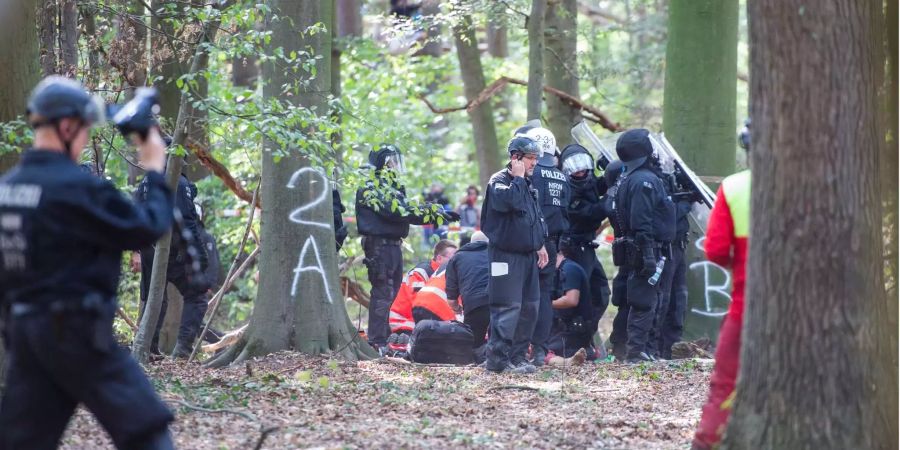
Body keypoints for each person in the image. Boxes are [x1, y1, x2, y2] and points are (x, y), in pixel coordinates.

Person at [0, 76, 175, 448]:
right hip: (77, 334)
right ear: (66, 127)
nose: (83, 142)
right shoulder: (76, 188)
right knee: (147, 429)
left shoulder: (7, 190)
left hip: (26, 337)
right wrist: (155, 170)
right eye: (83, 131)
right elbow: (147, 228)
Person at [356, 143, 459, 351]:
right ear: (383, 162)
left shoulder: (390, 187)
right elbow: (400, 211)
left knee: (392, 293)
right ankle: (377, 340)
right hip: (379, 246)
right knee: (383, 292)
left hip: (392, 245)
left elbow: (405, 210)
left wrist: (436, 213)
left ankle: (386, 338)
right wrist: (435, 213)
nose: (395, 166)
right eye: (392, 161)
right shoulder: (372, 186)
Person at [692, 123, 751, 450]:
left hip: (745, 310)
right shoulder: (815, 184)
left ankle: (705, 444)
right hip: (811, 316)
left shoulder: (734, 187)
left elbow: (714, 250)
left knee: (724, 387)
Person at [481, 136, 548, 374]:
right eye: (530, 158)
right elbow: (509, 202)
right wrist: (518, 178)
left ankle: (518, 357)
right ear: (515, 157)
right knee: (506, 307)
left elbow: (532, 217)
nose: (534, 163)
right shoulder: (499, 181)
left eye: (536, 159)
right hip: (504, 256)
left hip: (528, 256)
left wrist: (539, 243)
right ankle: (498, 361)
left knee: (529, 308)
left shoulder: (527, 183)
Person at [613, 129, 676, 363]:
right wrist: (648, 253)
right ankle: (635, 352)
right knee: (643, 301)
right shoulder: (644, 181)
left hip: (647, 248)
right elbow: (641, 221)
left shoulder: (636, 178)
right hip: (646, 249)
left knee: (651, 299)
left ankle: (644, 349)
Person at [137, 159, 211, 358]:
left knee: (156, 296)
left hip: (148, 247)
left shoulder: (146, 181)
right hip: (172, 249)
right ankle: (182, 351)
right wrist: (199, 254)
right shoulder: (177, 181)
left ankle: (147, 348)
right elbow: (187, 220)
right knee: (197, 295)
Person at [515, 125, 568, 367]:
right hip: (553, 242)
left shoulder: (530, 174)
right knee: (544, 296)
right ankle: (539, 349)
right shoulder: (561, 176)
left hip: (529, 243)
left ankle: (518, 349)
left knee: (522, 295)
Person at [559, 143, 612, 343]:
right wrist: (611, 196)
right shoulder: (567, 191)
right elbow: (592, 212)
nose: (580, 171)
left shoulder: (588, 181)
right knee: (578, 296)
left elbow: (598, 185)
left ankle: (584, 337)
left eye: (583, 165)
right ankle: (571, 341)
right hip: (574, 248)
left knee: (600, 293)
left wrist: (610, 172)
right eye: (575, 166)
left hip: (587, 247)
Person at [388, 239, 458, 334]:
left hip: (421, 323)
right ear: (439, 258)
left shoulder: (441, 274)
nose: (456, 262)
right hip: (405, 323)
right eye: (453, 259)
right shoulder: (421, 273)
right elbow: (420, 305)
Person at [545, 239, 595, 360]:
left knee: (542, 353)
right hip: (560, 331)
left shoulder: (570, 269)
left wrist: (544, 305)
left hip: (571, 332)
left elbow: (571, 300)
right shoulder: (555, 271)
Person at [445, 231, 491, 350]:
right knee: (498, 344)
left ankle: (478, 360)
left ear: (471, 243)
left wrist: (457, 309)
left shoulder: (457, 258)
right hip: (500, 302)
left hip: (474, 304)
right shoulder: (497, 253)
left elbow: (451, 297)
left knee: (473, 345)